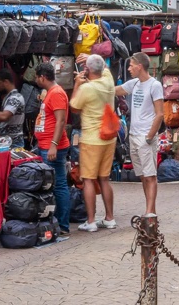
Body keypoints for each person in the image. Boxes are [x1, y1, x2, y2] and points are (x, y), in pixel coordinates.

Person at [69, 54, 117, 232]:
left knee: (88, 179)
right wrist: (92, 59)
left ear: (87, 70)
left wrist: (77, 84)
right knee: (104, 178)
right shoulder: (108, 81)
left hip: (91, 139)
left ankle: (91, 221)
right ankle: (110, 218)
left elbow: (74, 106)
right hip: (108, 138)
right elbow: (105, 69)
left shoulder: (87, 88)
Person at [115, 52, 164, 216]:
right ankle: (151, 210)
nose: (128, 68)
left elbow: (160, 114)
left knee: (150, 175)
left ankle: (150, 212)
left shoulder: (154, 85)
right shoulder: (134, 83)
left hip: (145, 137)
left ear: (139, 66)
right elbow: (115, 90)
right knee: (143, 175)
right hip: (134, 136)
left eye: (131, 65)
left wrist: (149, 136)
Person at [34, 62, 71, 235]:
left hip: (52, 146)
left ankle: (63, 225)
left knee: (58, 185)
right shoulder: (51, 93)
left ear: (42, 77)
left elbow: (61, 120)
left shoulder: (56, 93)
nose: (36, 80)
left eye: (36, 77)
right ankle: (58, 222)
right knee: (54, 185)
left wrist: (53, 145)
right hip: (46, 145)